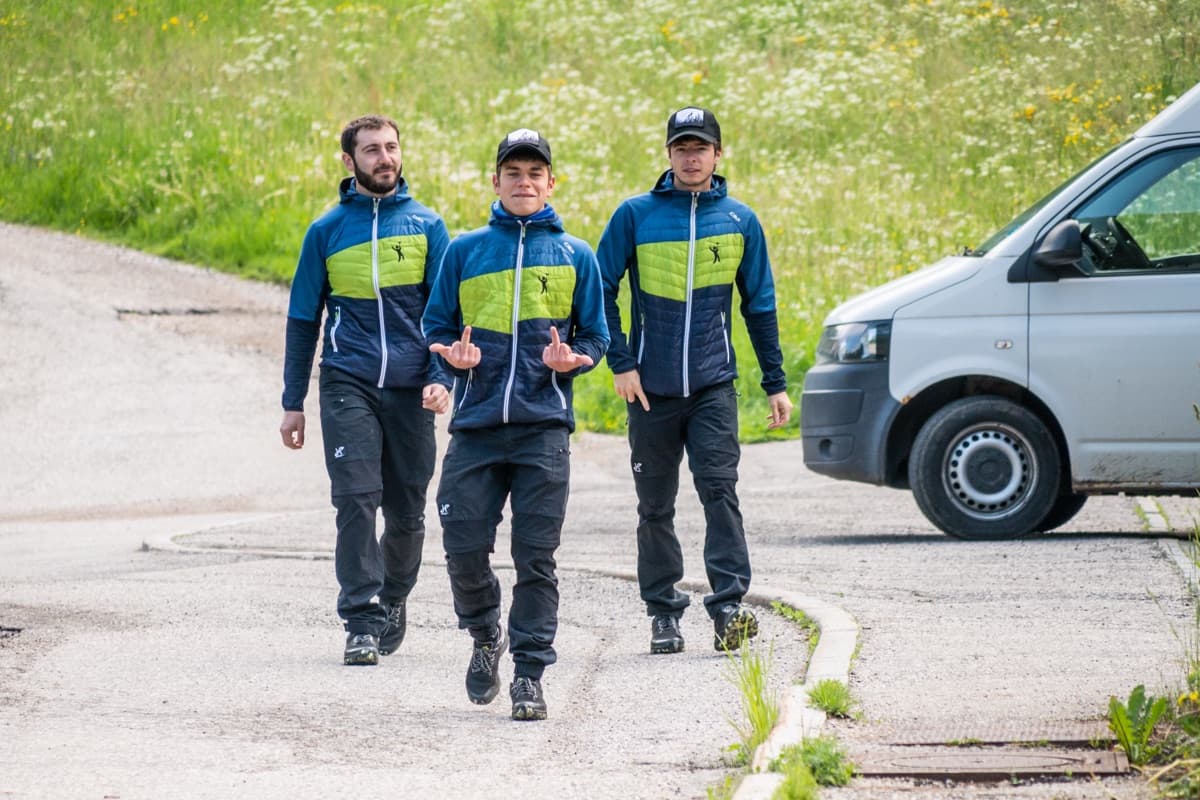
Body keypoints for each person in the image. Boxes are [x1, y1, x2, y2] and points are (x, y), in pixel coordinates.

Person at [423, 128, 609, 721]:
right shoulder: (464, 251)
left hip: (543, 429)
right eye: (513, 173)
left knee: (536, 559)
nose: (524, 182)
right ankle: (485, 634)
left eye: (534, 174)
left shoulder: (577, 255)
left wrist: (575, 359)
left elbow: (596, 335)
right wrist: (451, 360)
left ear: (551, 183)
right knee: (462, 549)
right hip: (476, 427)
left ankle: (529, 675)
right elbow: (436, 327)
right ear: (495, 181)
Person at [596, 106, 792, 656]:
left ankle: (728, 607)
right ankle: (663, 613)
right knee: (655, 506)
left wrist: (775, 382)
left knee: (720, 493)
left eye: (700, 148)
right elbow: (599, 288)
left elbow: (760, 304)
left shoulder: (739, 220)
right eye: (681, 148)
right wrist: (621, 362)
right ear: (668, 154)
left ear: (717, 154)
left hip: (712, 386)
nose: (690, 157)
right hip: (649, 390)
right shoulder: (634, 215)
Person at [279, 114, 451, 666]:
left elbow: (446, 315)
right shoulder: (326, 231)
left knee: (407, 510)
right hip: (346, 380)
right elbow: (303, 319)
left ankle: (393, 597)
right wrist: (292, 402)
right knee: (356, 499)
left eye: (391, 147)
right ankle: (360, 619)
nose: (385, 157)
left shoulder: (428, 226)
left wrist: (441, 377)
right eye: (372, 149)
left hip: (411, 387)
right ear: (349, 160)